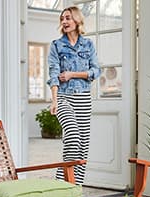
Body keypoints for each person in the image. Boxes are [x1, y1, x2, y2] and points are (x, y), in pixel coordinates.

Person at [48, 6, 100, 184]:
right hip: (63, 96)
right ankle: (60, 185)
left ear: (77, 20)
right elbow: (53, 73)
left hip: (83, 98)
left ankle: (74, 188)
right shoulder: (56, 45)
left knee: (82, 146)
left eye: (68, 18)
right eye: (62, 18)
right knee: (72, 137)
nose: (64, 21)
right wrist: (54, 101)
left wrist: (72, 74)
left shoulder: (88, 45)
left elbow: (95, 71)